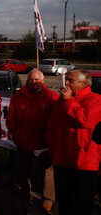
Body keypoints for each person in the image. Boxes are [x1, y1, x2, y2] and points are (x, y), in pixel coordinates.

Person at [46, 69, 101, 215]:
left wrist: (69, 101)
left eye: (71, 80)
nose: (67, 83)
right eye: (67, 79)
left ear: (84, 83)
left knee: (82, 203)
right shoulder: (62, 100)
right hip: (62, 160)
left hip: (83, 162)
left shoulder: (96, 100)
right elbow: (53, 123)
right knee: (64, 202)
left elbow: (85, 120)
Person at [6, 70, 59, 211]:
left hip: (43, 143)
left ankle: (48, 199)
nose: (34, 82)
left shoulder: (51, 97)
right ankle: (25, 194)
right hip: (23, 140)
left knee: (47, 173)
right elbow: (11, 116)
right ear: (27, 80)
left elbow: (56, 120)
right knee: (23, 171)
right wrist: (14, 132)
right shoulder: (18, 96)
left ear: (43, 81)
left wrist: (50, 139)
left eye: (37, 80)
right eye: (31, 80)